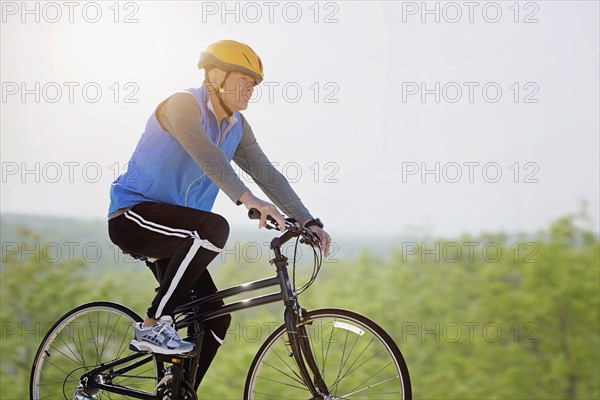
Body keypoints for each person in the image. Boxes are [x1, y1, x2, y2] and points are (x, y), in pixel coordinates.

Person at [107, 39, 331, 389]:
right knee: (214, 228)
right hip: (134, 216)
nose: (250, 89)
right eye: (244, 79)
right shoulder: (183, 104)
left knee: (214, 321)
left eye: (254, 83)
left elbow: (266, 172)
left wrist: (308, 221)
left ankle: (176, 391)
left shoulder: (237, 126)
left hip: (181, 235)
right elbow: (206, 155)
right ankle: (153, 325)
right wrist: (247, 199)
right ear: (214, 76)